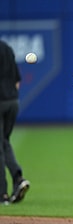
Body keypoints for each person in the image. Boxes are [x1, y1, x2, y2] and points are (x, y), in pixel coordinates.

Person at [0, 40, 30, 205]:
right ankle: (18, 179)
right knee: (4, 142)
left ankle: (2, 194)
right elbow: (17, 81)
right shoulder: (7, 48)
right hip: (12, 101)